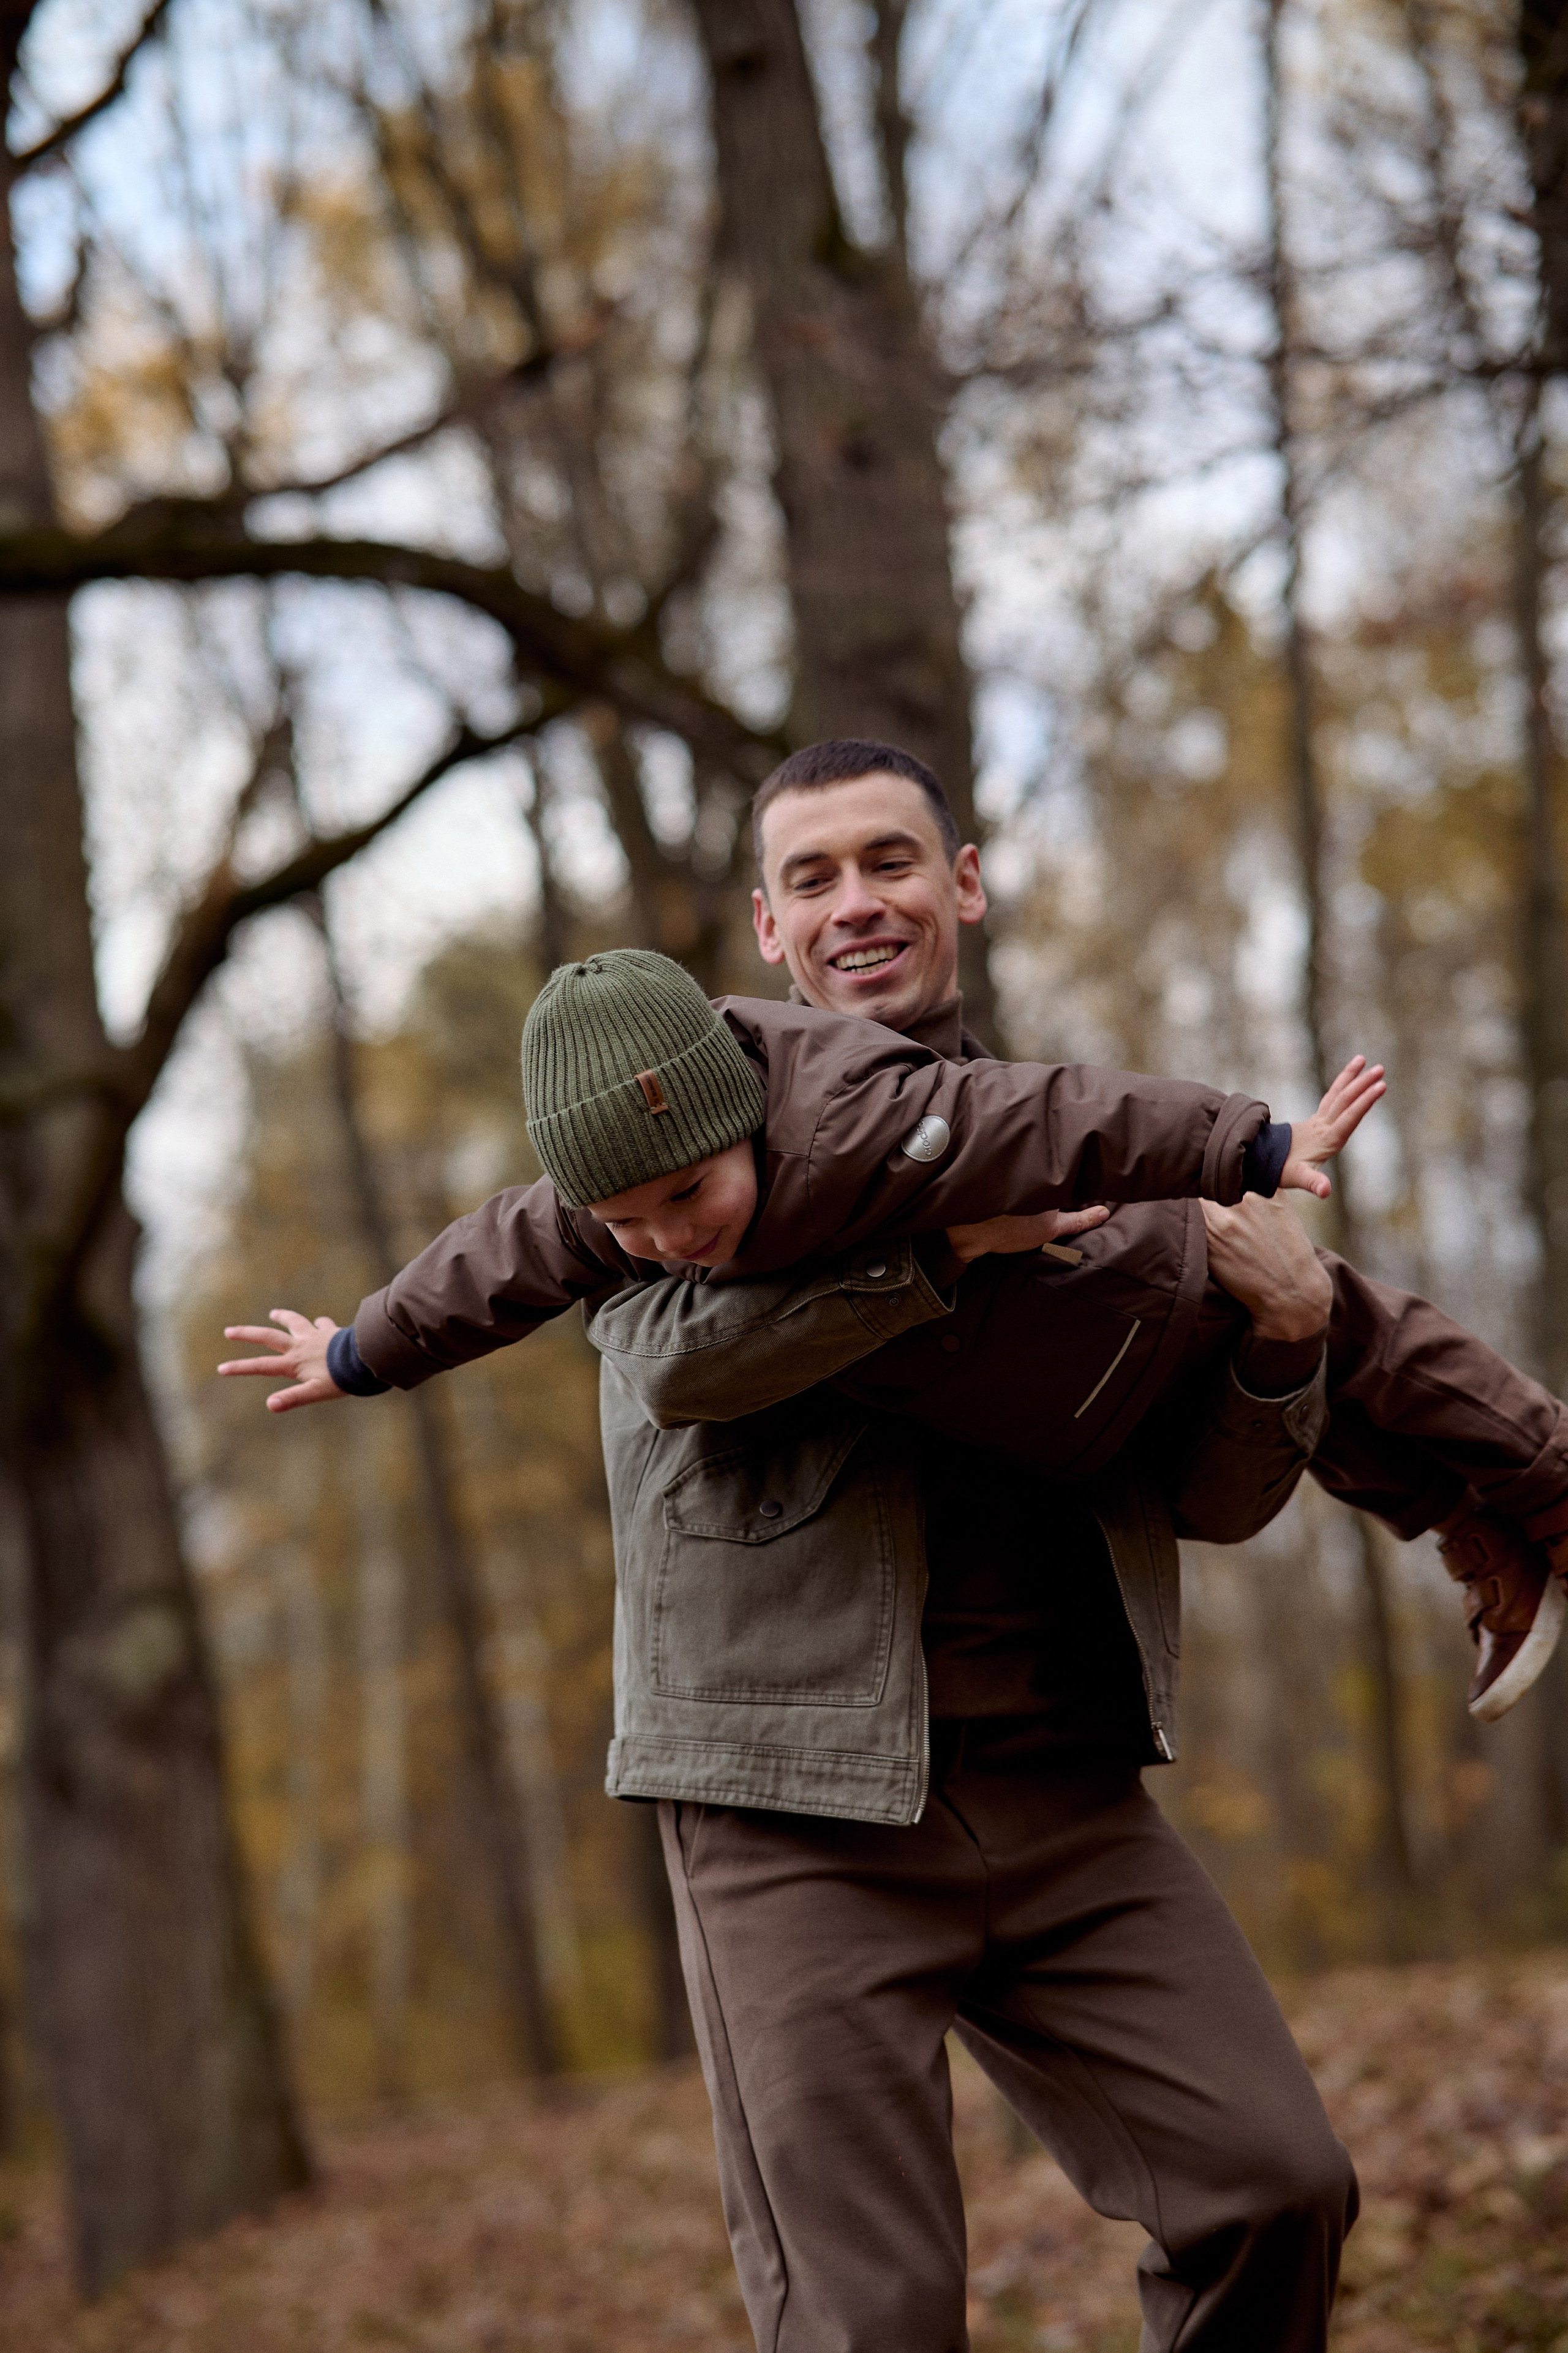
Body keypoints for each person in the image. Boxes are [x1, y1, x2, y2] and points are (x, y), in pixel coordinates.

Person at [216, 739, 1559, 2351]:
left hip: (1065, 1789)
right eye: (812, 874)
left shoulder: (1064, 1169)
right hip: (795, 1817)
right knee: (876, 2320)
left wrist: (1278, 1338)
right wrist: (362, 1344)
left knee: (1276, 2185)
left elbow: (1206, 1498)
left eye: (890, 859)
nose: (857, 901)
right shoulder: (677, 1126)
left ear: (965, 883)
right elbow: (670, 1356)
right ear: (768, 929)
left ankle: (1508, 1503)